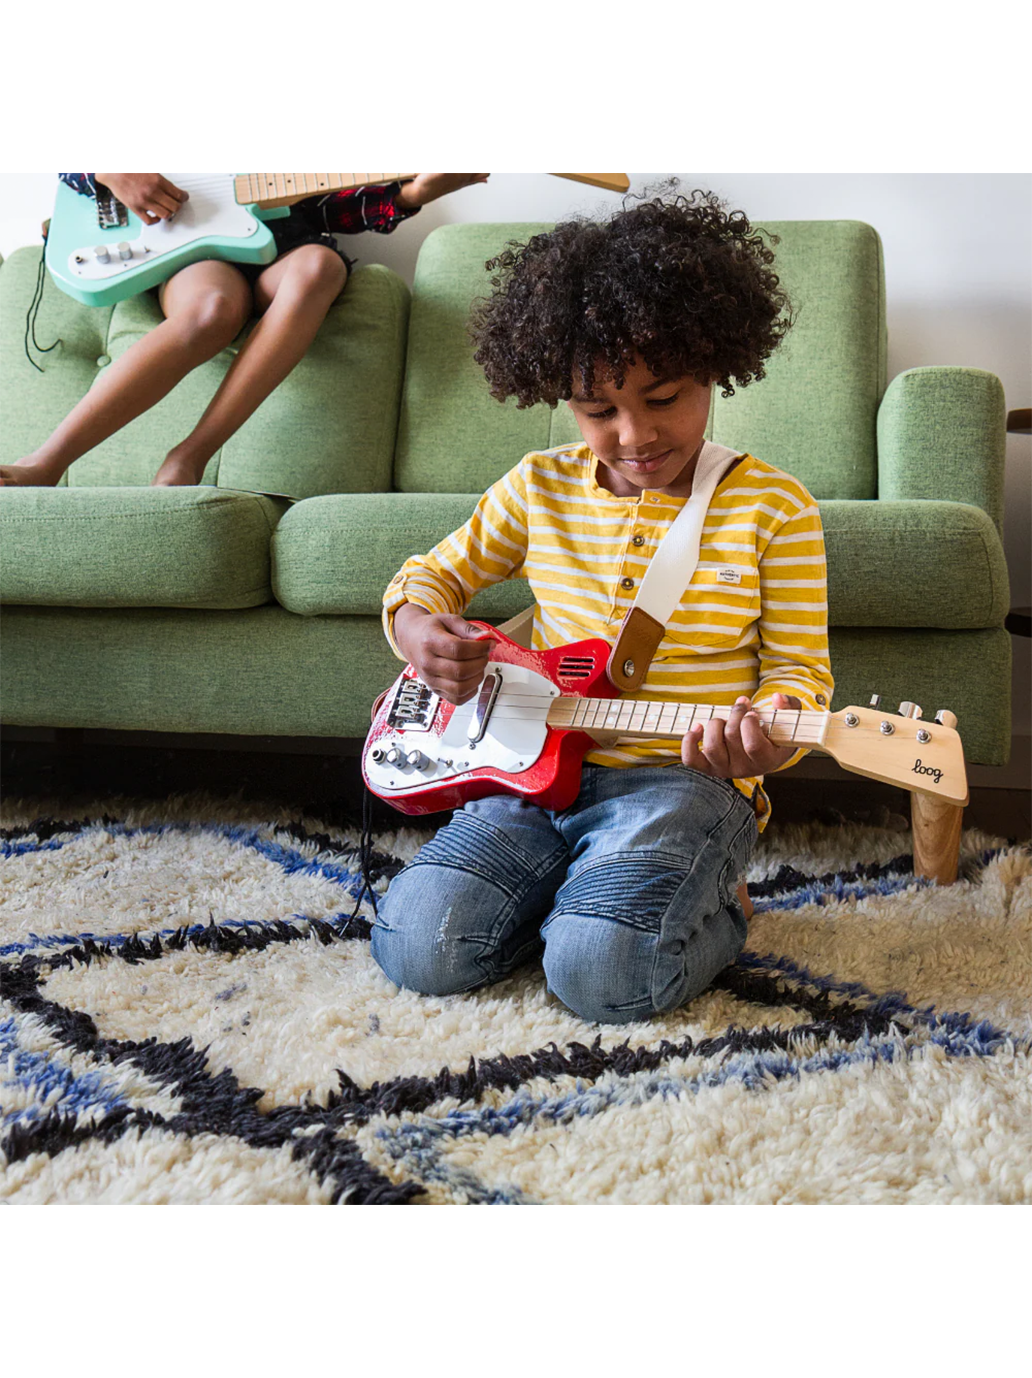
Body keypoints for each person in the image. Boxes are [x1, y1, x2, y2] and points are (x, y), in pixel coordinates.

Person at [370, 190, 834, 1025]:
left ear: (716, 369)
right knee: (415, 945)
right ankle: (586, 891)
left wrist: (763, 735)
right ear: (562, 396)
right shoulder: (537, 486)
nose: (634, 435)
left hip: (683, 783)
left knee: (601, 976)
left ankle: (714, 906)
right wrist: (417, 630)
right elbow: (427, 579)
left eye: (665, 398)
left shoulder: (776, 509)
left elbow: (799, 673)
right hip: (528, 771)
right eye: (598, 410)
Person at [1, 173, 488, 488]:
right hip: (184, 247)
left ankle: (188, 458)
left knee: (319, 267)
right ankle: (46, 461)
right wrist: (112, 171)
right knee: (213, 310)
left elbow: (327, 205)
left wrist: (409, 194)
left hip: (285, 246)